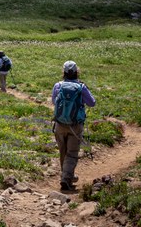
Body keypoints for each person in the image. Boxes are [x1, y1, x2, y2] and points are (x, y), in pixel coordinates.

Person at [51, 60, 96, 191]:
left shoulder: (58, 85)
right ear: (77, 72)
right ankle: (66, 178)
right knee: (72, 153)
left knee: (63, 151)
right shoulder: (81, 87)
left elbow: (54, 101)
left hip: (59, 124)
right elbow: (92, 103)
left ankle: (66, 176)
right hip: (75, 125)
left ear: (63, 72)